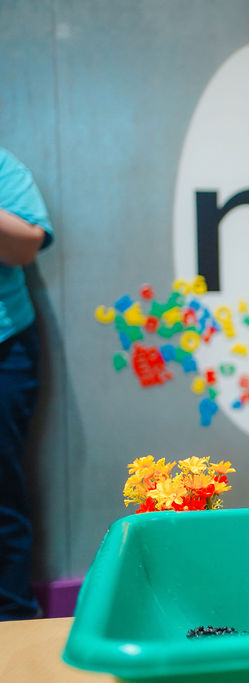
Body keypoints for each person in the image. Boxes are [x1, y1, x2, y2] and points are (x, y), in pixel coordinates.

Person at [0, 148, 53, 620]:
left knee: (1, 494)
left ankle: (13, 619)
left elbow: (24, 247)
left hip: (4, 346)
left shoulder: (4, 167)